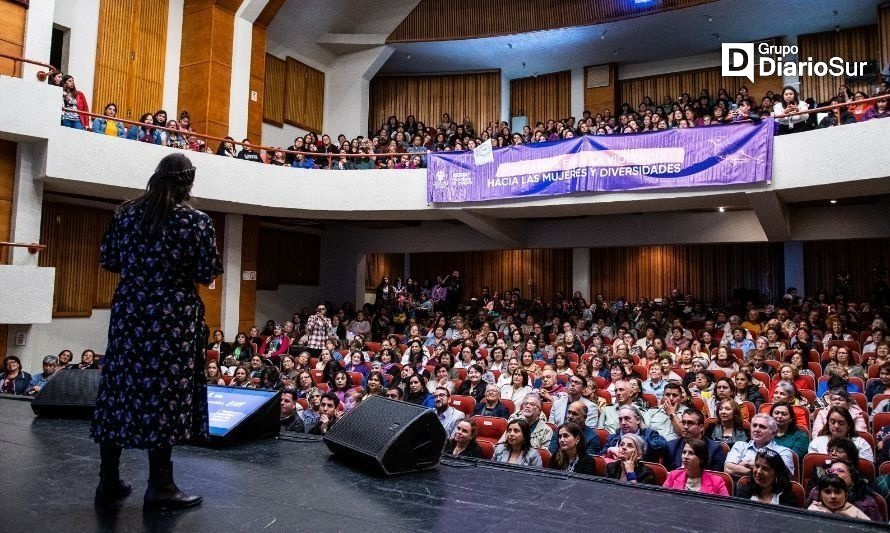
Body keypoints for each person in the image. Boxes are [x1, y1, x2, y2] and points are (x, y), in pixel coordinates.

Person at [91, 153, 223, 510]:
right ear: (188, 182)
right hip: (171, 317)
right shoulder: (195, 222)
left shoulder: (125, 213)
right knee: (164, 394)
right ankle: (161, 485)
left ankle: (108, 480)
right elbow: (206, 271)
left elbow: (110, 261)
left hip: (130, 313)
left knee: (119, 388)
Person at [805, 458, 881, 521]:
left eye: (840, 471)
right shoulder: (815, 494)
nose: (835, 473)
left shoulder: (867, 502)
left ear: (851, 475)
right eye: (831, 471)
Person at [724, 414, 795, 478]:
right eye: (754, 425)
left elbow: (782, 475)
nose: (757, 430)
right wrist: (763, 471)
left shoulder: (783, 452)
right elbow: (728, 469)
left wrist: (748, 464)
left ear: (774, 433)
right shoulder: (740, 445)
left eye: (762, 427)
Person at [600, 405, 667, 463]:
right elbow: (600, 457)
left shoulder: (649, 434)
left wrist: (637, 446)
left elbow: (663, 445)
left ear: (638, 420)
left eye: (627, 418)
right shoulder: (612, 438)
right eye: (620, 419)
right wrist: (608, 451)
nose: (623, 422)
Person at [663, 439, 730, 496]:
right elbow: (663, 499)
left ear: (701, 458)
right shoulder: (673, 476)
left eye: (691, 453)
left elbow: (725, 508)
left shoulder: (717, 482)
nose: (685, 457)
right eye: (684, 452)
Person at [808, 406, 874, 462]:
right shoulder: (816, 443)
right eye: (832, 422)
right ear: (828, 423)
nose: (836, 426)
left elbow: (865, 470)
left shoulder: (861, 444)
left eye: (841, 422)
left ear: (849, 425)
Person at [807, 474, 871, 520]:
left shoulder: (856, 513)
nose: (833, 496)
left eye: (837, 492)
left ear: (846, 496)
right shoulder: (812, 510)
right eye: (828, 492)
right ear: (821, 496)